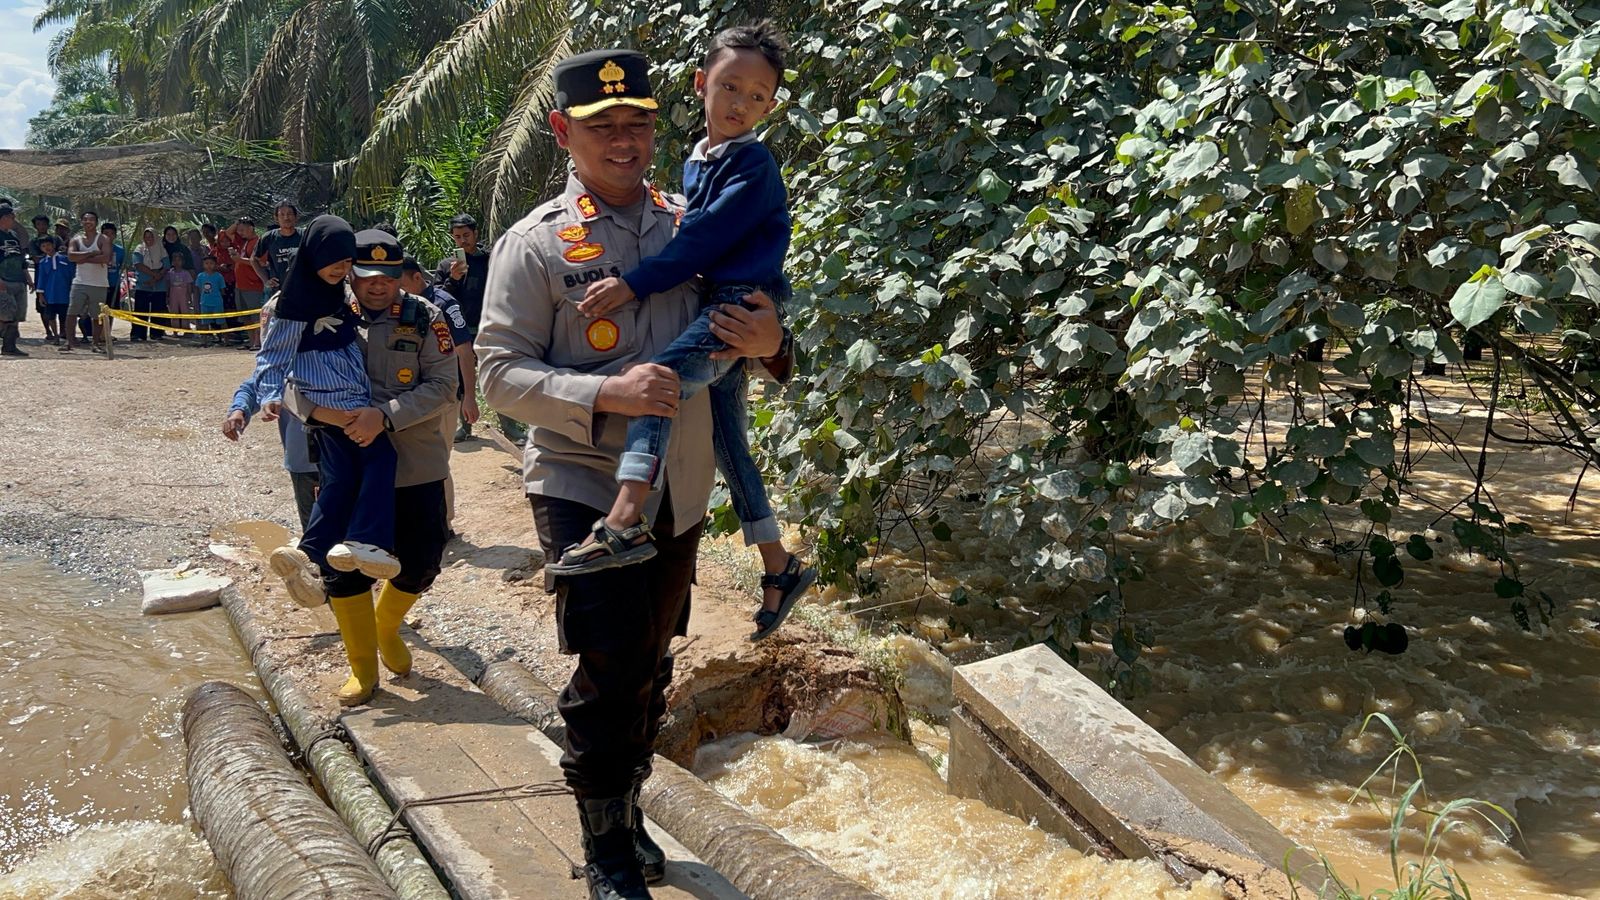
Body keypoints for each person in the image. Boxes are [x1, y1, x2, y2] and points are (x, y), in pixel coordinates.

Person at [475, 48, 792, 900]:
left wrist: (775, 344)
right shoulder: (533, 245)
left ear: (658, 126)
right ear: (562, 134)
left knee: (653, 662)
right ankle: (605, 849)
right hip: (583, 477)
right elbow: (496, 376)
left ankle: (627, 807)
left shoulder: (697, 218)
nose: (623, 141)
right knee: (611, 659)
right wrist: (603, 389)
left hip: (679, 488)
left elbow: (752, 325)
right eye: (601, 127)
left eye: (637, 124)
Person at [564, 23, 812, 640]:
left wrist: (631, 285)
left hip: (737, 303)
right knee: (731, 445)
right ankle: (779, 565)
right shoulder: (700, 160)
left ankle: (623, 519)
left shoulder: (752, 164)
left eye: (757, 97)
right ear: (702, 84)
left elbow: (700, 241)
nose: (739, 104)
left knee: (660, 383)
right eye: (729, 87)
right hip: (719, 298)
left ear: (771, 107)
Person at [278, 228, 459, 706]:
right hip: (344, 464)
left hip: (415, 461)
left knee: (422, 560)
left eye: (389, 275)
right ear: (349, 274)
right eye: (366, 275)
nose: (378, 285)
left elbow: (444, 385)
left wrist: (386, 416)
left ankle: (387, 625)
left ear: (401, 275)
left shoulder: (426, 317)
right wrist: (329, 416)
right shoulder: (319, 314)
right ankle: (362, 670)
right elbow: (290, 383)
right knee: (342, 568)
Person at [256, 218, 404, 650]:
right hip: (333, 411)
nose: (341, 269)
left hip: (349, 408)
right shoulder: (287, 307)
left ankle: (308, 554)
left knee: (340, 482)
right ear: (313, 257)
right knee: (379, 464)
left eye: (346, 262)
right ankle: (367, 542)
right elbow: (270, 360)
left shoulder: (340, 298)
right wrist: (267, 397)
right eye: (334, 261)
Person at [224, 297, 321, 530]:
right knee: (313, 526)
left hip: (338, 454)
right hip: (302, 459)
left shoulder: (323, 353)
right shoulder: (278, 362)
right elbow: (255, 383)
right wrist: (239, 410)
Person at [402, 256, 478, 452]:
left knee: (439, 459)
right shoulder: (400, 305)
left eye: (401, 284)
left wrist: (469, 396)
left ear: (417, 277)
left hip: (442, 395)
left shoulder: (444, 304)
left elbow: (465, 351)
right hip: (410, 394)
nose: (397, 290)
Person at [435, 213, 491, 442]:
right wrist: (454, 278)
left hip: (489, 326)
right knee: (460, 378)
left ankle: (510, 425)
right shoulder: (447, 265)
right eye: (457, 237)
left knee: (495, 374)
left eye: (466, 235)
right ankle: (466, 427)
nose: (462, 241)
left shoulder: (490, 259)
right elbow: (437, 297)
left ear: (475, 233)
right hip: (459, 331)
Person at [65, 210, 111, 353]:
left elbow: (105, 258)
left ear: (96, 222)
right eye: (85, 219)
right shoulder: (76, 240)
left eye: (91, 219)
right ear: (81, 222)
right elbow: (71, 256)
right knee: (71, 312)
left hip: (99, 283)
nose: (88, 222)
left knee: (97, 316)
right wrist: (92, 254)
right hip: (79, 282)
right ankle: (70, 341)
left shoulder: (103, 239)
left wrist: (83, 259)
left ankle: (95, 343)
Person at [227, 217, 266, 350]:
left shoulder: (258, 242)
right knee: (246, 316)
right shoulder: (245, 242)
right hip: (241, 285)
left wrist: (239, 259)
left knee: (256, 316)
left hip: (253, 285)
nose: (240, 232)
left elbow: (260, 263)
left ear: (251, 228)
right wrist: (237, 222)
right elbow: (228, 233)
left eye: (243, 229)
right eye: (239, 230)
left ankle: (258, 342)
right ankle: (251, 341)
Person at [1, 206, 34, 356]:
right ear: (4, 218)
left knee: (17, 315)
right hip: (4, 280)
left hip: (18, 280)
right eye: (11, 217)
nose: (14, 220)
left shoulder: (14, 236)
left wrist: (28, 279)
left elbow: (21, 260)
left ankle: (10, 346)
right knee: (5, 314)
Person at [130, 227, 169, 342]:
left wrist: (157, 277)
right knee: (141, 310)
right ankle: (138, 334)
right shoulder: (140, 249)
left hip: (159, 285)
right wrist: (153, 275)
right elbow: (138, 264)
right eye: (146, 237)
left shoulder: (161, 249)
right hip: (143, 284)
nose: (149, 239)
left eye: (151, 236)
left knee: (158, 310)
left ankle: (157, 333)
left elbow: (166, 265)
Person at [254, 201, 303, 291]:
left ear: (296, 217)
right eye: (282, 214)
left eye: (289, 214)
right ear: (276, 218)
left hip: (303, 288)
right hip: (279, 290)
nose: (286, 217)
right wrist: (266, 280)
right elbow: (254, 259)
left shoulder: (305, 235)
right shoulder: (269, 237)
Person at [36, 236, 72, 343]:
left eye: (48, 245)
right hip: (50, 295)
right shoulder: (43, 262)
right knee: (51, 316)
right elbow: (41, 279)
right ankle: (55, 335)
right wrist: (40, 295)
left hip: (64, 294)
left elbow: (71, 275)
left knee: (63, 316)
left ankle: (64, 334)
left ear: (53, 245)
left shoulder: (65, 259)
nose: (46, 247)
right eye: (43, 246)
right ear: (41, 248)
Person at [196, 255, 227, 343]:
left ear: (215, 264)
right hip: (205, 302)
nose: (209, 265)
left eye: (211, 263)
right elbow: (199, 289)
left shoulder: (219, 276)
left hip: (217, 302)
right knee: (205, 323)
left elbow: (222, 290)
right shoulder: (200, 276)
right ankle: (204, 341)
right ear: (203, 265)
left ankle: (225, 340)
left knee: (221, 322)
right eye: (206, 263)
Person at [167, 250, 196, 335]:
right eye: (174, 260)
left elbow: (189, 285)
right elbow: (168, 284)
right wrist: (167, 295)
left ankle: (186, 330)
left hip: (184, 294)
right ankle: (175, 331)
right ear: (172, 262)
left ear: (182, 262)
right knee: (174, 312)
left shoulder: (186, 273)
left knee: (185, 312)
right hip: (173, 294)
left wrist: (190, 296)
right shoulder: (170, 273)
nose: (177, 262)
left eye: (179, 260)